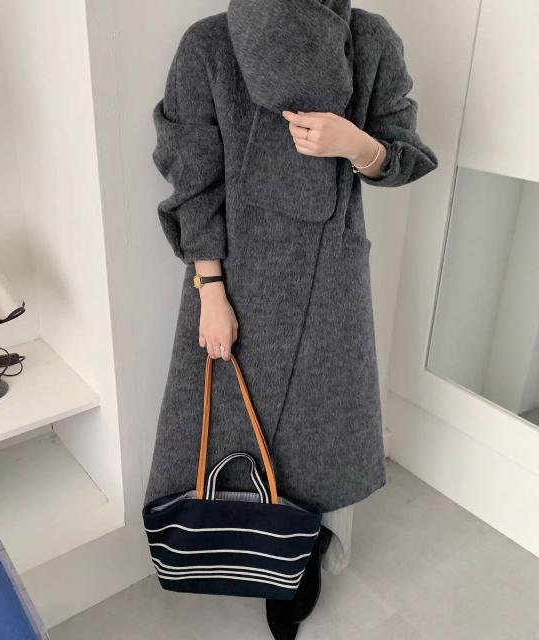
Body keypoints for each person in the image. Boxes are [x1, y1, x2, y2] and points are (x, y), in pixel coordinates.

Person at [145, 1, 438, 638]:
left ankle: (297, 562)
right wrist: (211, 291)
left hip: (330, 275)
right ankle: (247, 551)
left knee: (318, 431)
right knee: (227, 424)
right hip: (232, 276)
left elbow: (406, 155)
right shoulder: (210, 45)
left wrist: (356, 145)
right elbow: (193, 177)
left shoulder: (369, 38)